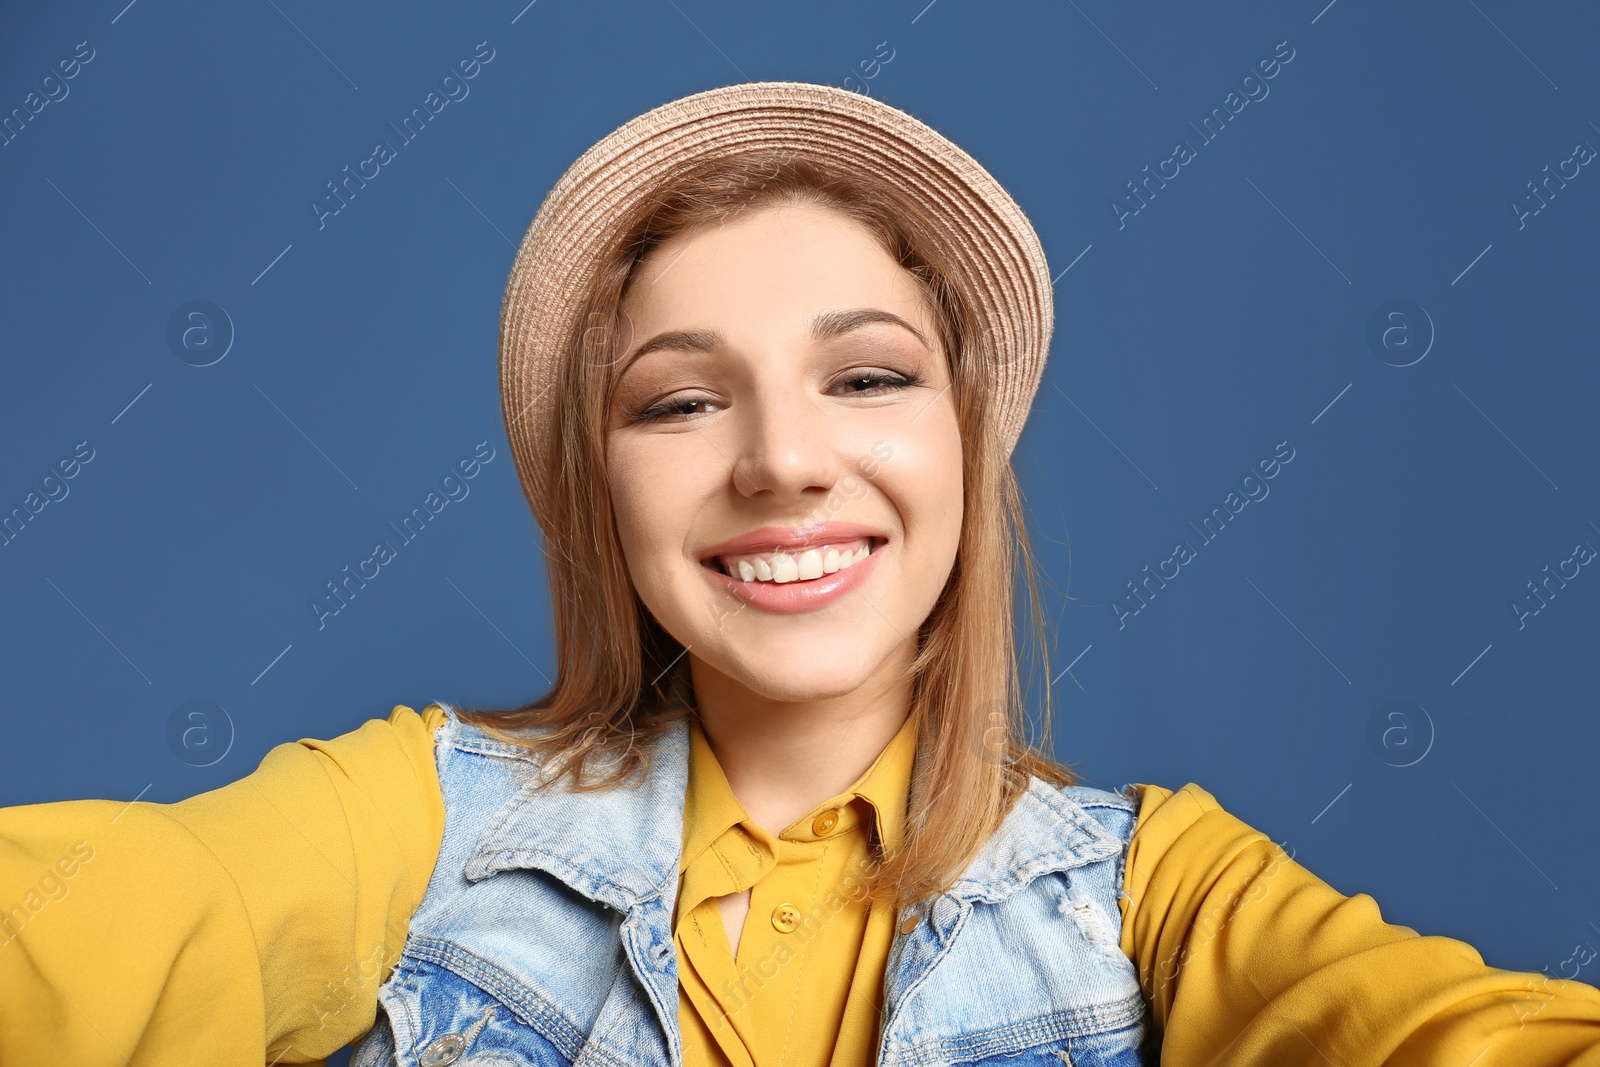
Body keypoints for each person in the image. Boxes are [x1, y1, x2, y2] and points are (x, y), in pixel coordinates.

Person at [2, 81, 1597, 1067]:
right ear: (600, 486)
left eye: (869, 376)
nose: (779, 459)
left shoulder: (1158, 896)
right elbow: (107, 932)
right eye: (681, 400)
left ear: (964, 443)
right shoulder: (415, 823)